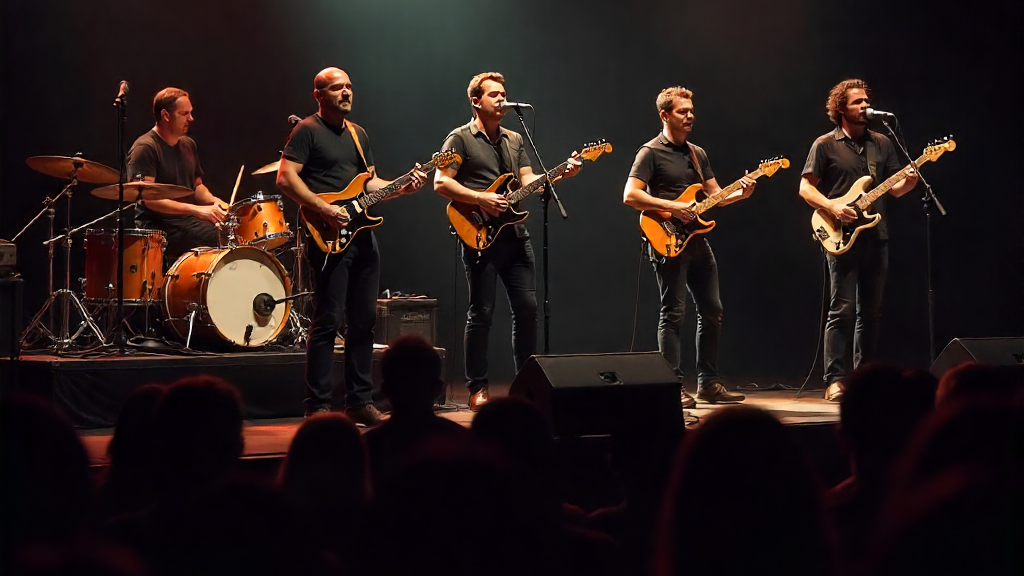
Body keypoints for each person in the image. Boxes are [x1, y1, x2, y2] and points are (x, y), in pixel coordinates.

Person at [276, 67, 425, 424]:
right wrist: (324, 208)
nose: (346, 92)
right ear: (319, 95)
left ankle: (359, 401)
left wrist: (401, 187)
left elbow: (369, 184)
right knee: (327, 320)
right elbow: (284, 178)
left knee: (364, 321)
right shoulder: (307, 131)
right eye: (337, 88)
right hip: (327, 235)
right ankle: (317, 407)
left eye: (349, 87)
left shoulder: (358, 134)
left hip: (362, 236)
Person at [433, 71, 581, 411]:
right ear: (476, 101)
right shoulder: (459, 139)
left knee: (528, 310)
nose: (502, 99)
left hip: (514, 236)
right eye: (494, 94)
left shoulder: (514, 139)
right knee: (482, 313)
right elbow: (441, 183)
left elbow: (528, 181)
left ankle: (525, 387)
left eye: (504, 93)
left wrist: (561, 173)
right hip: (479, 235)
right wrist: (481, 199)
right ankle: (477, 388)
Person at [623, 86, 753, 406]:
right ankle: (672, 386)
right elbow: (630, 195)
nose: (690, 115)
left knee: (713, 310)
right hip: (666, 238)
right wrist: (673, 207)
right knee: (673, 313)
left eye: (692, 110)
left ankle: (708, 383)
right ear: (664, 115)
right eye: (683, 111)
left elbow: (714, 195)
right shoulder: (650, 152)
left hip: (696, 239)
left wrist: (741, 193)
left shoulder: (697, 153)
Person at [798, 79, 918, 402]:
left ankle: (864, 378)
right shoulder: (825, 144)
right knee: (842, 309)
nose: (865, 106)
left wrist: (910, 181)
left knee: (871, 312)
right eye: (857, 102)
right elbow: (805, 188)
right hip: (840, 235)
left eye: (866, 101)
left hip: (876, 235)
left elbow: (894, 189)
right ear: (841, 108)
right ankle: (835, 379)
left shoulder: (882, 142)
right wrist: (833, 206)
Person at [127, 87, 228, 263]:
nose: (191, 119)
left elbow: (197, 186)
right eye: (184, 114)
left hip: (186, 221)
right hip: (158, 226)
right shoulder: (145, 148)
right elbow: (148, 199)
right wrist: (197, 210)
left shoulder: (188, 144)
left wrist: (214, 201)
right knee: (218, 238)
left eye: (190, 113)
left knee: (232, 232)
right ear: (166, 115)